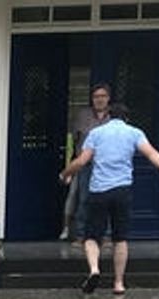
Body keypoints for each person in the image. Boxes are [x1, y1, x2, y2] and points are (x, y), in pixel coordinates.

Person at [59, 103, 159, 296]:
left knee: (91, 236)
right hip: (122, 191)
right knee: (120, 238)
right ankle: (119, 283)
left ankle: (95, 269)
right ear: (127, 118)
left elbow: (82, 160)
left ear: (108, 116)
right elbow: (151, 154)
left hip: (99, 191)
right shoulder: (134, 133)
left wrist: (65, 173)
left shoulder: (96, 134)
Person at [61, 83, 112, 243]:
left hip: (106, 167)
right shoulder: (82, 116)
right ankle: (80, 235)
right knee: (83, 200)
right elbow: (71, 141)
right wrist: (70, 167)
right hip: (84, 165)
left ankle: (106, 235)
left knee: (106, 200)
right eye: (96, 96)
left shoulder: (113, 118)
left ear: (108, 98)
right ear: (92, 98)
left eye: (103, 96)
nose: (99, 100)